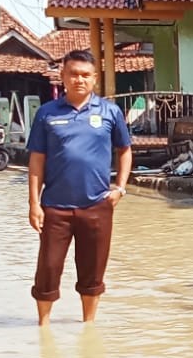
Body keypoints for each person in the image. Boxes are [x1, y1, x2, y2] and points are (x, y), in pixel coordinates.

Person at [25, 49, 132, 325]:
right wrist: (34, 204)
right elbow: (37, 159)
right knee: (48, 269)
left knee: (93, 272)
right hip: (55, 208)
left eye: (85, 75)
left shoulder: (110, 111)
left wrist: (120, 187)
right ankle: (43, 328)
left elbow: (125, 150)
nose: (79, 80)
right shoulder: (47, 114)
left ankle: (88, 327)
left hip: (97, 205)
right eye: (73, 74)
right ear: (63, 76)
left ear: (95, 78)